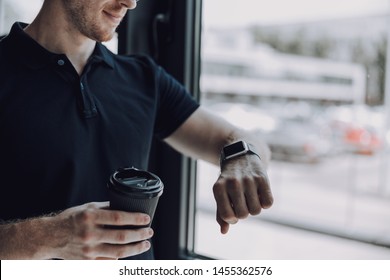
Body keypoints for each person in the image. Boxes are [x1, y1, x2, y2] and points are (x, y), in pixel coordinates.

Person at [0, 0, 273, 260]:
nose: (130, 3)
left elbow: (242, 140)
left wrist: (242, 158)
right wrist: (48, 236)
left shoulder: (144, 79)